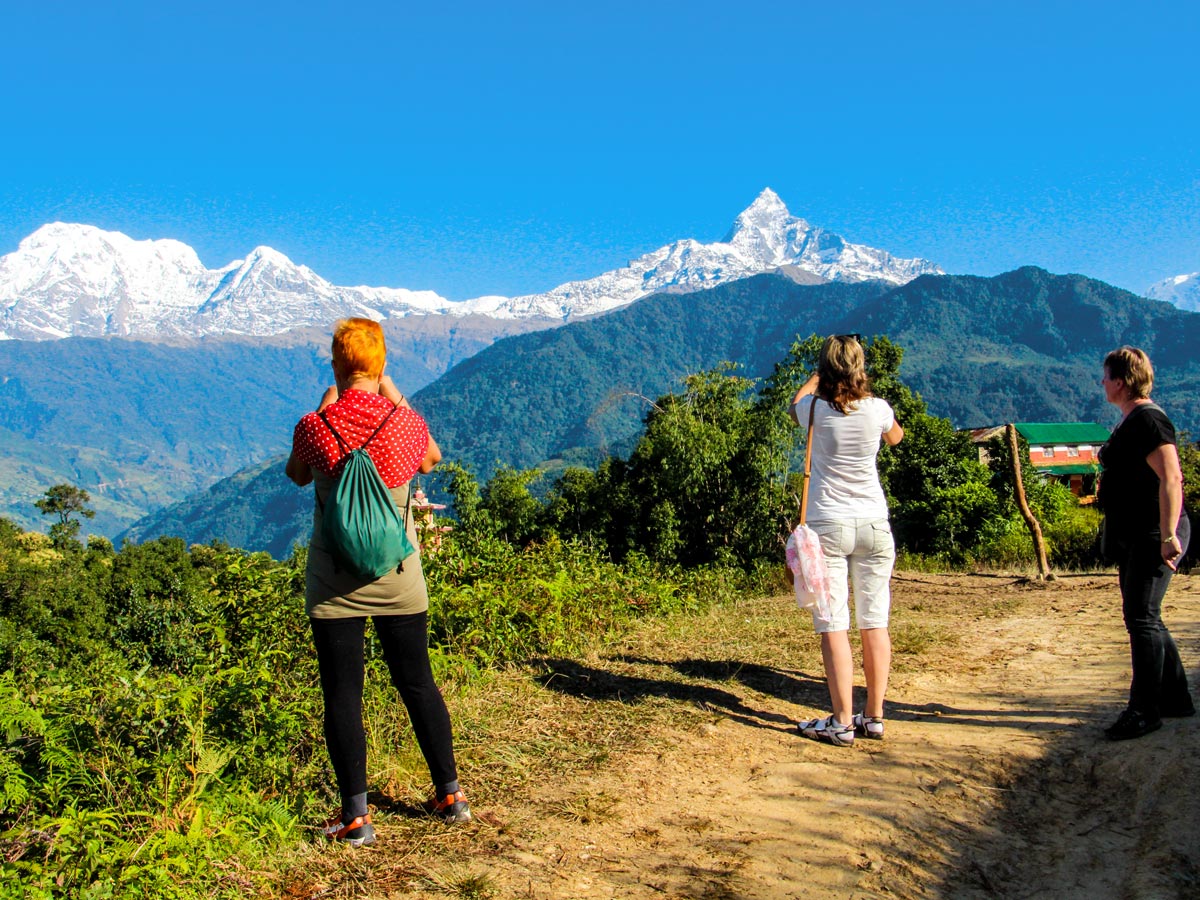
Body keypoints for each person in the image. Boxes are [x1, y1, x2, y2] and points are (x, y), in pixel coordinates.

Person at [286, 318, 470, 847]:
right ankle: (450, 796)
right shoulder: (406, 425)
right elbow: (432, 461)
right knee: (417, 683)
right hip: (399, 576)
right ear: (382, 365)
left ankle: (356, 819)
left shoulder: (315, 426)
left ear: (336, 366)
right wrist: (394, 395)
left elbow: (297, 476)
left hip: (334, 580)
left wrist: (325, 407)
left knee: (343, 694)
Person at [788, 335, 904, 747]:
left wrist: (814, 378)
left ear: (826, 368)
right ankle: (873, 716)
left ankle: (840, 721)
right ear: (859, 367)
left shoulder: (814, 408)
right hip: (874, 522)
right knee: (875, 620)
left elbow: (793, 405)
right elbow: (897, 438)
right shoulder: (878, 409)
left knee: (834, 623)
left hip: (828, 525)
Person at [1096, 346, 1193, 741]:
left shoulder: (1149, 420)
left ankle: (1144, 710)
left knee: (1141, 618)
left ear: (1120, 381)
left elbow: (1171, 478)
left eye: (1105, 376)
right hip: (1138, 531)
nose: (1101, 383)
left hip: (1156, 532)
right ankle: (1176, 697)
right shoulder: (1132, 419)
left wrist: (1169, 534)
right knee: (1147, 614)